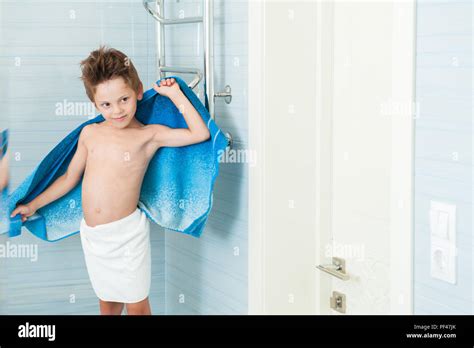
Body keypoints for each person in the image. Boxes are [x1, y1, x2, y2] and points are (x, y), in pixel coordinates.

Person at [10, 46, 210, 315]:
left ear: (138, 91)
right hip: (94, 237)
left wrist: (175, 95)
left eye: (124, 99)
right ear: (95, 104)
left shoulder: (148, 136)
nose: (117, 110)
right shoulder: (90, 134)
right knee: (108, 304)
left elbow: (200, 134)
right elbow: (70, 177)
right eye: (106, 104)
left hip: (127, 236)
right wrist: (33, 205)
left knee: (137, 305)